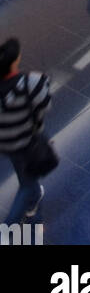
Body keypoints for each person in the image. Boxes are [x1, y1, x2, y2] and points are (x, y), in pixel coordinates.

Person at [0, 37, 52, 225]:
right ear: (14, 62)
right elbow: (43, 106)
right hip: (28, 141)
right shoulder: (31, 82)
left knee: (25, 177)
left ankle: (33, 201)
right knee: (28, 185)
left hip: (9, 143)